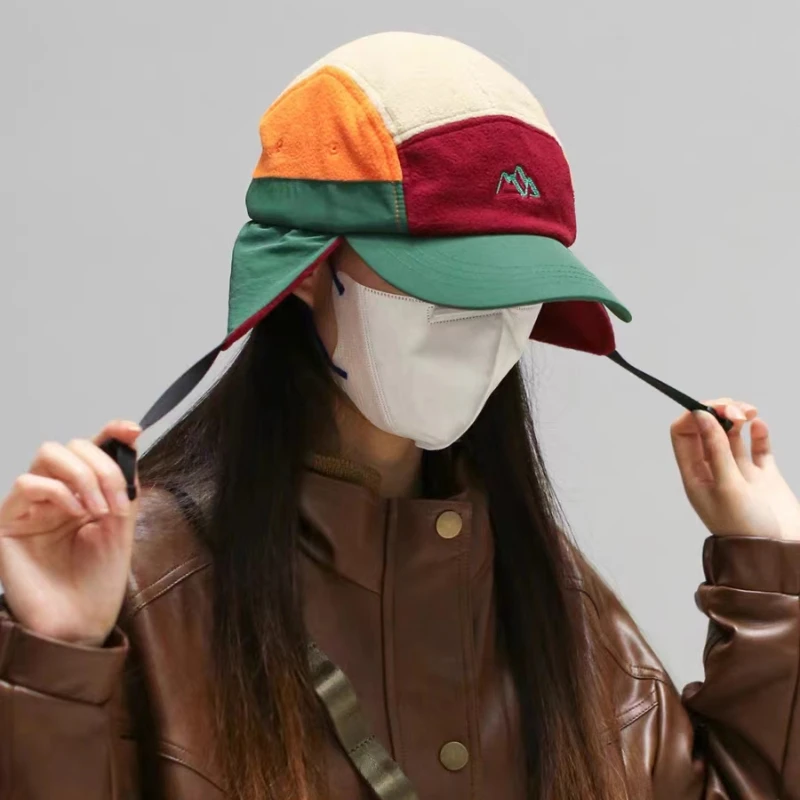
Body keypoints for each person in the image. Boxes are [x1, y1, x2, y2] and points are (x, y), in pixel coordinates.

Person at [0, 31, 798, 800]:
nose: (486, 326)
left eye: (515, 291)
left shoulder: (556, 608)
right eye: (445, 282)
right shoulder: (133, 589)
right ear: (305, 269)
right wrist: (56, 664)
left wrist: (772, 567)